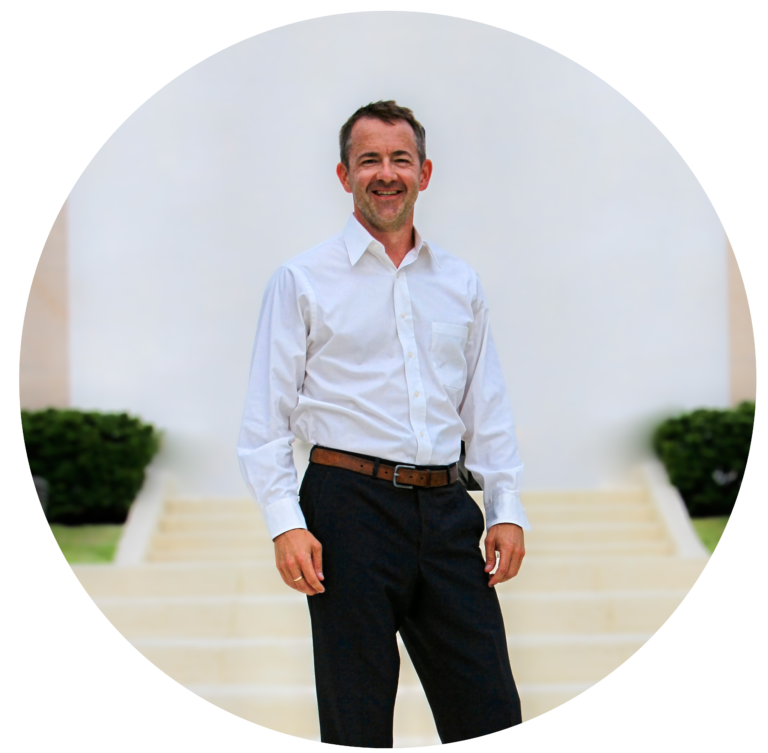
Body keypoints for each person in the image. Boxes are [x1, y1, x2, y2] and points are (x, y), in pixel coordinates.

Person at [238, 100, 530, 746]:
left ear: (425, 172)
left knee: (489, 707)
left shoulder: (460, 282)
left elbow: (487, 404)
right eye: (368, 159)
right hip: (348, 511)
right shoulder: (301, 281)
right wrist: (287, 523)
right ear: (344, 176)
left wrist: (505, 505)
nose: (386, 172)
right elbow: (265, 421)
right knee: (357, 718)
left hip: (450, 511)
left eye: (400, 159)